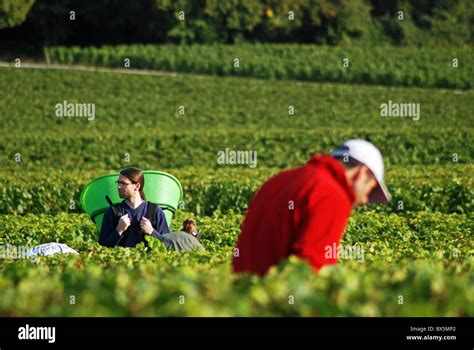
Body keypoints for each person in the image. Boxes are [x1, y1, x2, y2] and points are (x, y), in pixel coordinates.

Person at [232, 139, 391, 276]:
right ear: (362, 173)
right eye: (370, 189)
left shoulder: (277, 181)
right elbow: (311, 266)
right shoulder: (332, 194)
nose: (364, 200)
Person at [99, 167, 170, 248]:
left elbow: (167, 245)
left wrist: (152, 232)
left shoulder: (155, 211)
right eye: (118, 183)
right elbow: (102, 245)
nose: (119, 186)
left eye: (123, 183)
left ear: (137, 186)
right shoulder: (112, 212)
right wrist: (118, 230)